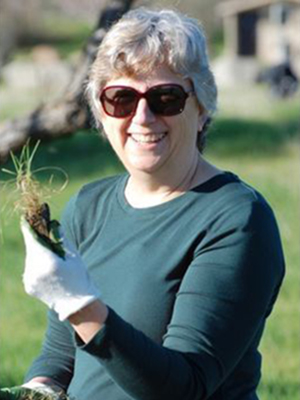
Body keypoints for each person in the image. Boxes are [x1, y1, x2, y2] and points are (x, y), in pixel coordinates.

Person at [0, 7, 285, 400]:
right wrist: (39, 388)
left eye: (166, 98)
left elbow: (187, 386)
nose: (142, 117)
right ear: (101, 111)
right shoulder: (89, 205)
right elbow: (62, 355)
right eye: (121, 98)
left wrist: (80, 304)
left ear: (201, 108)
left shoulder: (236, 218)